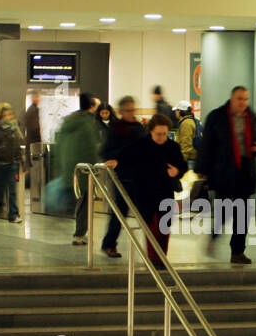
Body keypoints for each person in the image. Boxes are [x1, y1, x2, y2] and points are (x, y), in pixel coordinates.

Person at [195, 85, 256, 265]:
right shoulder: (217, 117)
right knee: (225, 212)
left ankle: (238, 252)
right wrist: (202, 169)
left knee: (242, 214)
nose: (243, 102)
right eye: (240, 99)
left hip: (245, 171)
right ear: (232, 99)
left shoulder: (252, 118)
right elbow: (207, 145)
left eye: (246, 99)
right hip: (223, 171)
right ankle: (213, 237)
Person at [112, 114, 184, 266]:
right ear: (150, 131)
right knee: (151, 226)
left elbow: (181, 165)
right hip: (145, 192)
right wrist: (116, 161)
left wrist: (176, 171)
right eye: (158, 134)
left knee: (164, 226)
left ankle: (161, 257)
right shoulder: (141, 145)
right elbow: (125, 156)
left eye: (164, 134)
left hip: (165, 191)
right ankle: (154, 259)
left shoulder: (172, 147)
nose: (161, 137)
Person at [99, 95, 147, 257]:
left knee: (145, 210)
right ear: (121, 111)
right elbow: (105, 152)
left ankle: (153, 248)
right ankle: (109, 244)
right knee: (119, 211)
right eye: (128, 110)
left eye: (133, 110)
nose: (131, 113)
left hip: (139, 176)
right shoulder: (116, 129)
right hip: (123, 176)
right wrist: (117, 159)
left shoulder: (139, 128)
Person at [56, 93, 103, 245]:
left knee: (79, 199)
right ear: (91, 106)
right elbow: (91, 147)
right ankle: (79, 234)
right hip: (84, 169)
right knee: (85, 202)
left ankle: (79, 231)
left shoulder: (68, 120)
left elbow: (59, 143)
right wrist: (96, 165)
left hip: (70, 167)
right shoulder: (87, 123)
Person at [0, 103, 25, 223]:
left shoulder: (15, 130)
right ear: (0, 116)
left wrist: (23, 164)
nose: (8, 117)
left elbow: (18, 147)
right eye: (5, 115)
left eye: (10, 114)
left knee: (12, 190)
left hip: (13, 164)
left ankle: (13, 215)